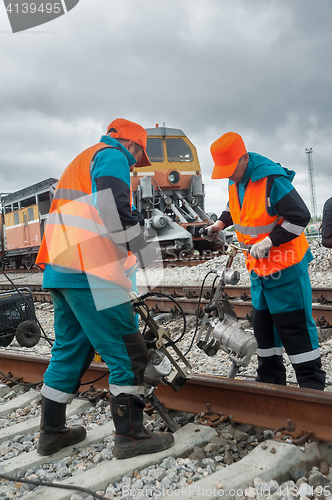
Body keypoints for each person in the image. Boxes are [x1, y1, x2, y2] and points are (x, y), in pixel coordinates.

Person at [35, 118, 174, 458]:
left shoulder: (83, 159)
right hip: (91, 271)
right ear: (133, 146)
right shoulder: (113, 156)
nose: (134, 166)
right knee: (129, 352)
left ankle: (51, 433)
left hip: (62, 269)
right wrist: (145, 251)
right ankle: (131, 437)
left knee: (71, 350)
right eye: (137, 158)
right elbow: (114, 210)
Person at [206, 132, 325, 390]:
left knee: (295, 332)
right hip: (259, 273)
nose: (229, 176)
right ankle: (270, 384)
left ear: (245, 159)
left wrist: (271, 240)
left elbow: (300, 216)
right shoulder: (236, 180)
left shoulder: (271, 179)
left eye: (231, 169)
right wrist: (220, 223)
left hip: (285, 269)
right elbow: (235, 207)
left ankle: (311, 389)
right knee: (265, 332)